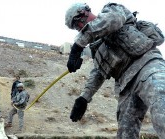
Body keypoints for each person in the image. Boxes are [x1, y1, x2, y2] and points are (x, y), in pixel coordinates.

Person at [65, 2, 165, 139]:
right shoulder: (96, 46)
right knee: (125, 134)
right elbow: (98, 72)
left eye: (77, 24)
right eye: (76, 28)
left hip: (147, 65)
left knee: (161, 103)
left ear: (84, 13)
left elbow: (113, 20)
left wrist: (77, 46)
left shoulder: (112, 10)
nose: (79, 29)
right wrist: (84, 98)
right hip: (125, 85)